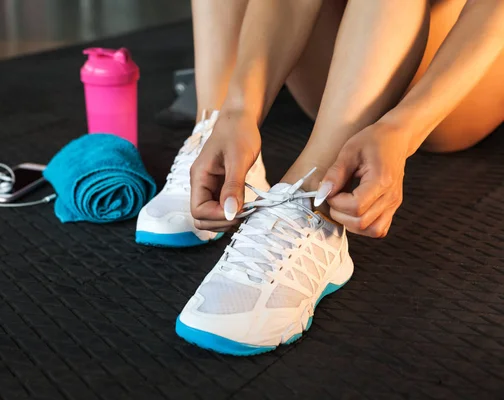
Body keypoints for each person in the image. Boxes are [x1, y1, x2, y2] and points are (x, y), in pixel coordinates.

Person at [136, 0, 504, 355]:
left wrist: (401, 128)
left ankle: (314, 198)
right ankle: (217, 129)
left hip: (451, 82)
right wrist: (238, 110)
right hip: (348, 58)